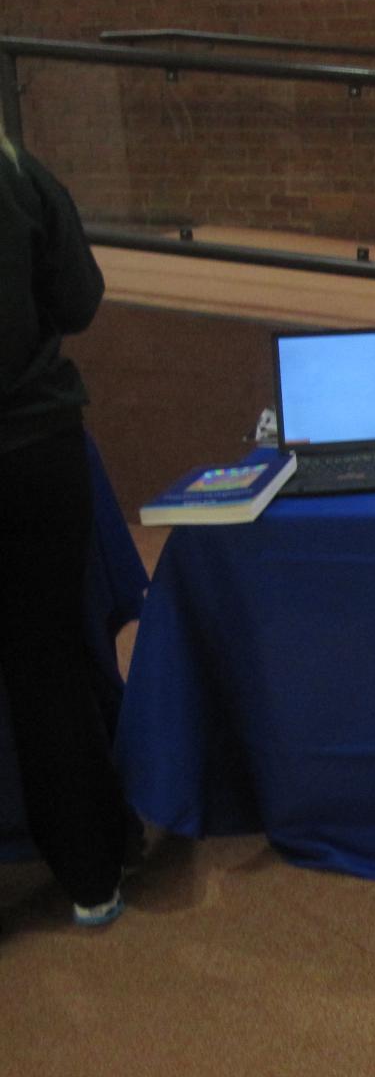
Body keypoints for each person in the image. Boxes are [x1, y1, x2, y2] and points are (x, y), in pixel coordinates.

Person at [0, 130, 136, 927]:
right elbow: (80, 301)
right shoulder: (20, 175)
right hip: (35, 447)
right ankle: (91, 879)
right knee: (48, 665)